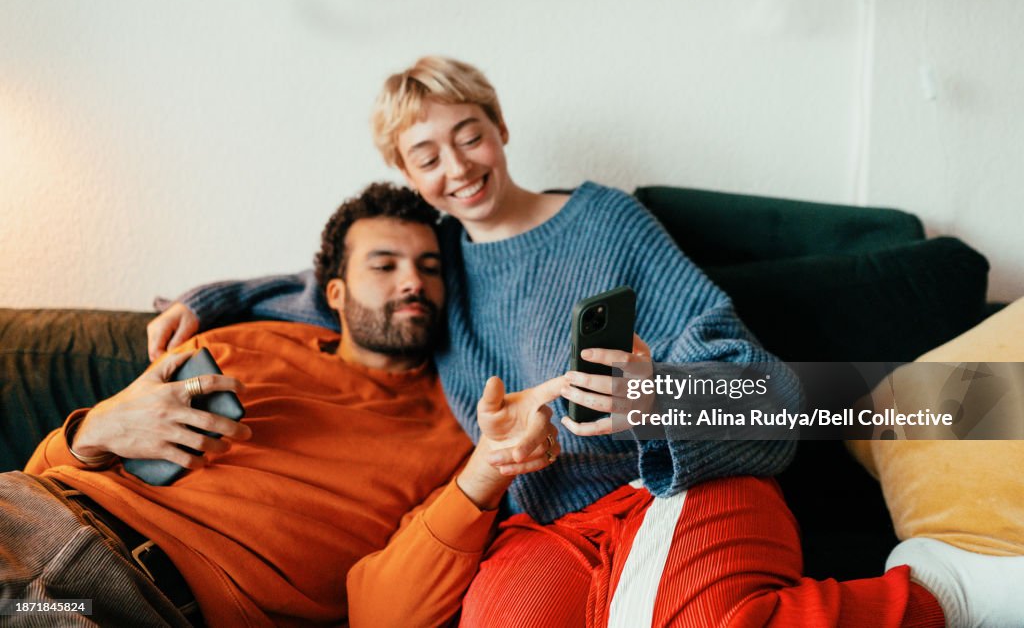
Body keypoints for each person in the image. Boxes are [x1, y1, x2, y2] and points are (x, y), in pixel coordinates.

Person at [148, 58, 948, 626]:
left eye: (469, 136)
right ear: (407, 171)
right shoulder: (434, 270)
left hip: (671, 487)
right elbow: (325, 293)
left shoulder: (606, 220)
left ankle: (946, 597)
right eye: (426, 156)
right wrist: (206, 301)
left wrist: (651, 390)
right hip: (548, 525)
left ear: (499, 128)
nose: (456, 167)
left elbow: (759, 383)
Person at [4, 183, 563, 627]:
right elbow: (39, 477)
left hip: (125, 597)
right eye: (385, 265)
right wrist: (92, 432)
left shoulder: (459, 429)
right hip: (27, 516)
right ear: (335, 294)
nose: (413, 281)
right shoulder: (234, 343)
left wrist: (487, 469)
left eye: (430, 267)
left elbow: (384, 613)